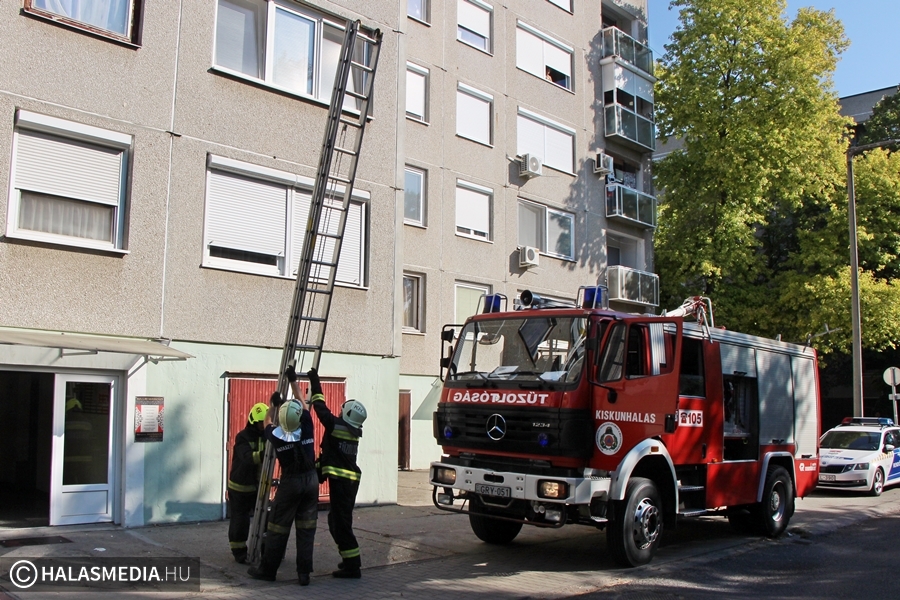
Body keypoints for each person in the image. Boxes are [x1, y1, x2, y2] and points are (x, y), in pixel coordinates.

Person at [247, 383, 318, 586]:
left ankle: (268, 570)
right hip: (311, 481)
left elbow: (267, 421)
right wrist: (294, 381)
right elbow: (304, 404)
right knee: (306, 528)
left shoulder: (277, 436)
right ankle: (304, 573)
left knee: (278, 527)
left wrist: (273, 404)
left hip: (290, 484)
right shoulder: (306, 426)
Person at [305, 366, 368, 579]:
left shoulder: (338, 427)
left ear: (347, 415)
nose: (339, 412)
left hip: (343, 483)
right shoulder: (351, 431)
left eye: (343, 411)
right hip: (346, 482)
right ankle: (349, 561)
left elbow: (320, 408)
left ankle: (353, 566)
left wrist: (315, 380)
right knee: (338, 522)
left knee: (340, 524)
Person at [227, 402, 268, 564]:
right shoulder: (242, 437)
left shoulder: (266, 435)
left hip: (258, 486)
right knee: (240, 521)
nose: (262, 426)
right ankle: (239, 552)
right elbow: (247, 457)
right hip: (240, 487)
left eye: (264, 422)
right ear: (253, 422)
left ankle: (266, 550)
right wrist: (266, 453)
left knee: (266, 518)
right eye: (260, 423)